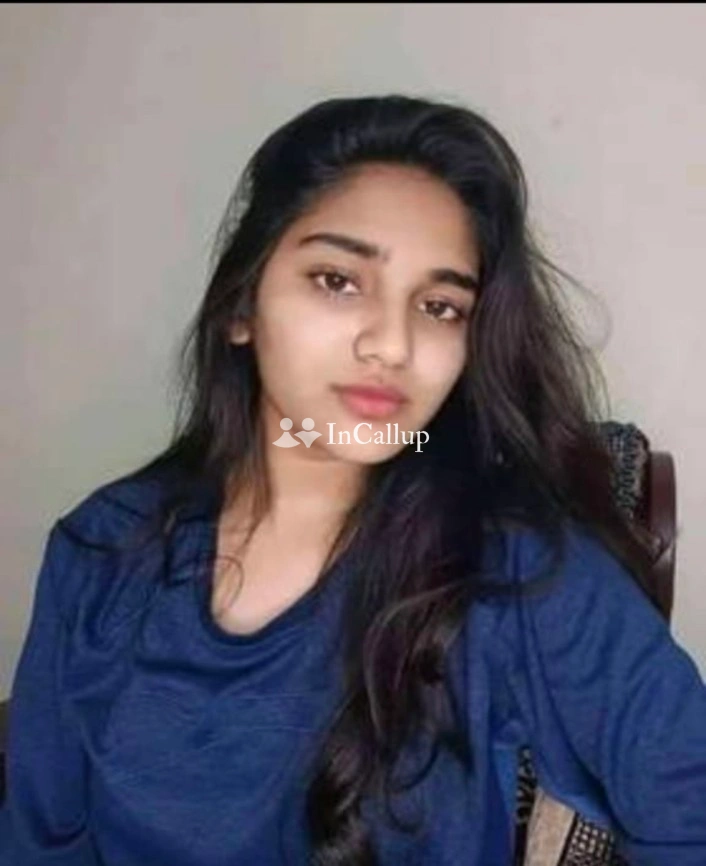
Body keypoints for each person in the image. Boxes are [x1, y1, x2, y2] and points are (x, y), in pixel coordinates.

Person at [1, 94, 705, 866]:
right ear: (241, 307)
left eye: (440, 307)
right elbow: (41, 840)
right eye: (338, 280)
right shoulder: (105, 550)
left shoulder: (514, 567)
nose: (392, 344)